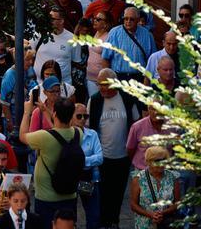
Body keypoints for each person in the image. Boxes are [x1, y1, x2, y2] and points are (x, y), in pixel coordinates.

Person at [88, 68, 145, 228]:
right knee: (102, 193)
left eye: (106, 84)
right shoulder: (94, 101)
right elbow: (89, 128)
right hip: (102, 157)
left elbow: (136, 124)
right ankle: (103, 222)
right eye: (100, 85)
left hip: (122, 156)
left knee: (118, 193)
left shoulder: (127, 99)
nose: (103, 88)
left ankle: (114, 221)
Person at [19, 97, 81, 227]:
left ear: (55, 114)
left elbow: (22, 136)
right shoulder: (77, 133)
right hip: (70, 196)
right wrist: (46, 111)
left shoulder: (44, 137)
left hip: (47, 199)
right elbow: (59, 133)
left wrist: (26, 112)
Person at [129, 146, 181, 229]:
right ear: (148, 162)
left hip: (167, 223)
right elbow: (133, 205)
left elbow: (177, 203)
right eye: (157, 161)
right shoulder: (138, 179)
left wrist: (162, 213)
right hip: (144, 225)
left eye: (164, 160)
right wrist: (150, 214)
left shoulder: (173, 177)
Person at [71, 103, 103, 229]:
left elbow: (100, 158)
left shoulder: (92, 134)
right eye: (79, 116)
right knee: (70, 214)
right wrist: (88, 160)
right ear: (71, 116)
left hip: (87, 177)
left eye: (86, 116)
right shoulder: (66, 134)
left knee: (93, 214)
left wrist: (80, 161)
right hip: (71, 179)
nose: (83, 119)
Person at [32, 8, 78, 86]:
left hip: (63, 85)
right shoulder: (40, 33)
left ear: (61, 21)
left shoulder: (73, 38)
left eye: (52, 19)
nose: (49, 21)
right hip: (39, 84)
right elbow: (30, 53)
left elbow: (75, 61)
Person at [86, 11, 112, 97]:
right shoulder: (96, 33)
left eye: (98, 19)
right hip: (90, 77)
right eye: (94, 18)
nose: (94, 20)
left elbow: (109, 59)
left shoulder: (108, 37)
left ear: (105, 24)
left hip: (100, 80)